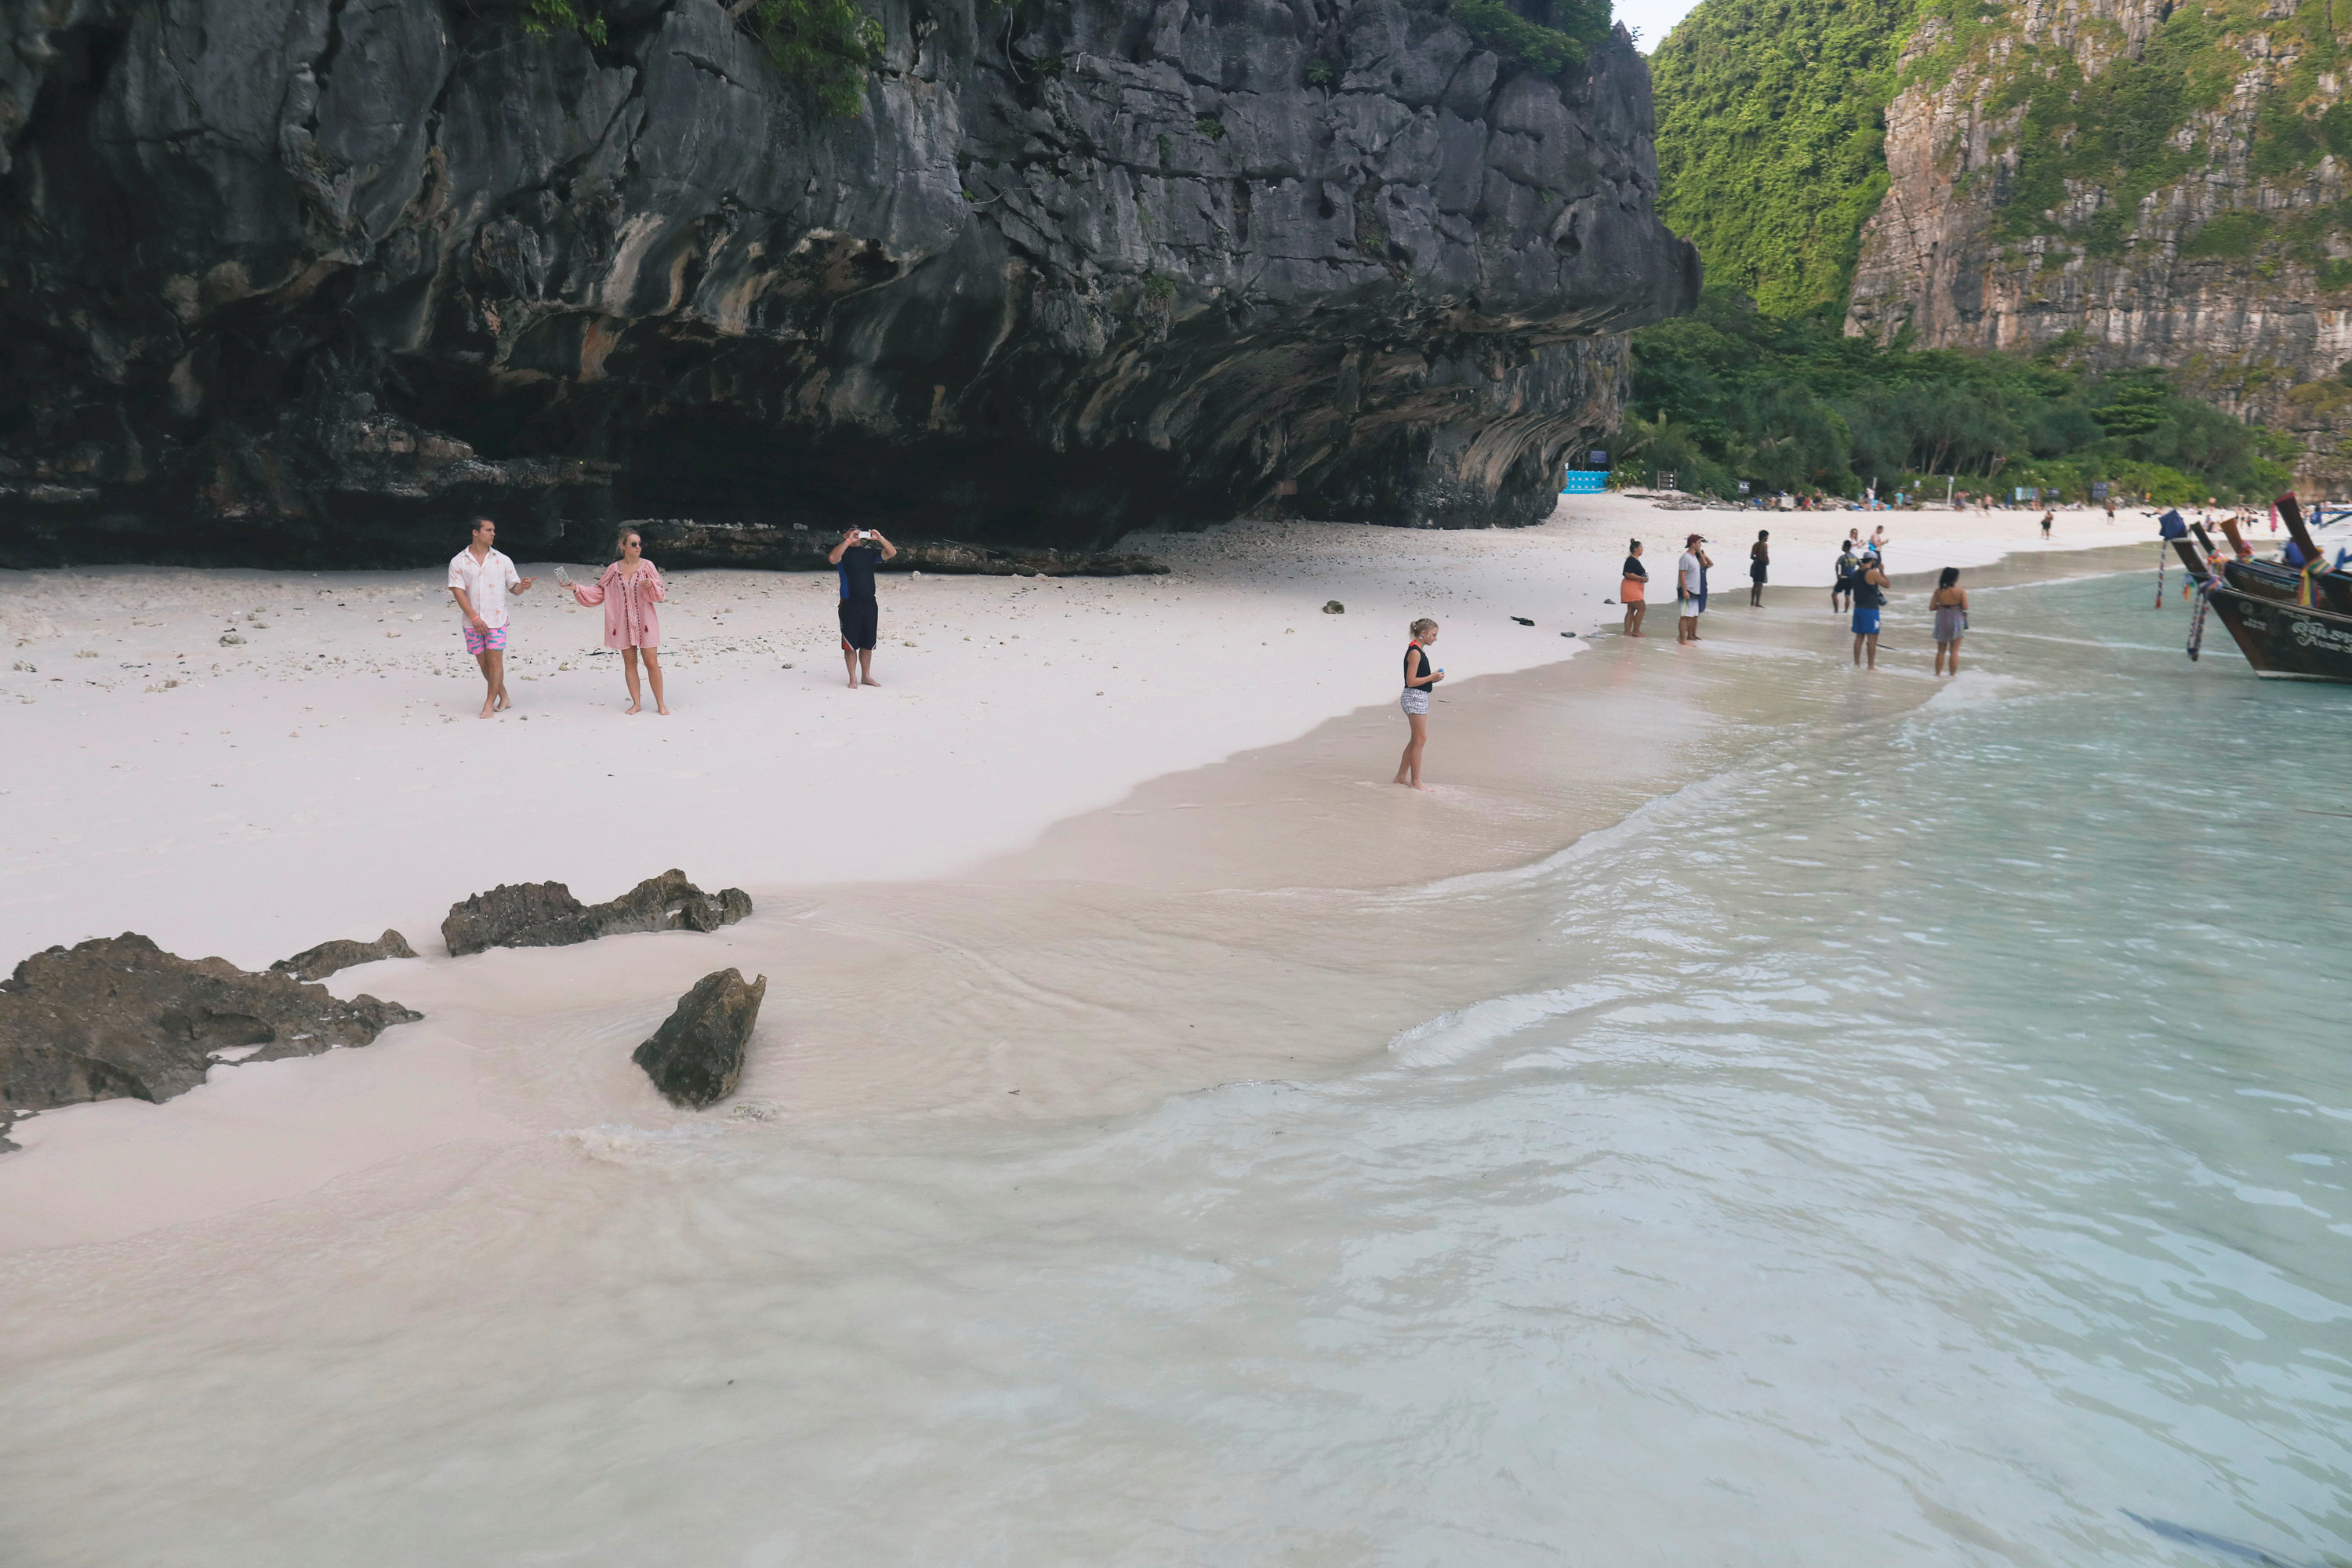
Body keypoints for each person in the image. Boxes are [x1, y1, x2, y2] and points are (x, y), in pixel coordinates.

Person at [567, 528, 669, 714]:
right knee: (629, 663)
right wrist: (576, 588)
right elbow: (599, 592)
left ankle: (661, 704)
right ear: (623, 546)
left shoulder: (648, 566)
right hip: (622, 624)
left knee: (651, 663)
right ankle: (636, 703)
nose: (638, 547)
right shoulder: (613, 570)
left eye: (640, 544)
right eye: (633, 544)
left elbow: (660, 594)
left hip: (646, 623)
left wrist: (651, 585)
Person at [448, 517, 535, 718]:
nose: (493, 534)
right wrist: (474, 618)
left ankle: (489, 703)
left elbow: (514, 588)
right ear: (475, 532)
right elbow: (458, 593)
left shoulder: (503, 560)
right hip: (472, 621)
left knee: (495, 662)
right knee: (483, 663)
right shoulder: (459, 561)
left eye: (494, 530)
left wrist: (523, 586)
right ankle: (503, 696)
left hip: (497, 620)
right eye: (488, 530)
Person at [828, 526, 898, 688]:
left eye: (858, 532)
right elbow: (832, 558)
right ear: (845, 535)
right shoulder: (842, 554)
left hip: (869, 603)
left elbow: (892, 553)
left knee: (868, 643)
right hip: (849, 603)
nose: (856, 535)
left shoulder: (869, 554)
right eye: (852, 532)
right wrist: (848, 540)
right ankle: (853, 678)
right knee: (850, 644)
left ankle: (866, 676)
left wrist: (879, 538)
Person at [1394, 618, 1442, 789]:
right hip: (1414, 696)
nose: (1435, 638)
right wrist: (1431, 677)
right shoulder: (1415, 652)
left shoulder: (1418, 650)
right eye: (1434, 635)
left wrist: (1431, 680)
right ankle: (1415, 781)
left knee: (1417, 739)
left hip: (1419, 695)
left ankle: (1401, 776)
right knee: (1420, 739)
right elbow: (1411, 681)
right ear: (1424, 633)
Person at [1850, 552, 1888, 670]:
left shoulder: (1856, 573)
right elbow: (1887, 584)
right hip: (1870, 609)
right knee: (1872, 638)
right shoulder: (1873, 573)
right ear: (1873, 561)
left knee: (1859, 637)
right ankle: (1870, 666)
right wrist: (1882, 571)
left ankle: (1856, 664)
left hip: (1858, 608)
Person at [1930, 565, 1968, 676]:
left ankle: (1938, 675)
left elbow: (1932, 607)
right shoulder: (1961, 591)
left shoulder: (1939, 591)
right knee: (1954, 651)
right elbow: (1965, 606)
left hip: (1942, 619)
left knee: (1941, 650)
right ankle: (1952, 675)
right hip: (1956, 619)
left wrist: (1941, 607)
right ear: (1955, 578)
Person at [1677, 533, 1711, 643]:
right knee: (1685, 616)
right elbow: (1682, 574)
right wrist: (1685, 590)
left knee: (1691, 616)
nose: (1700, 545)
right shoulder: (1685, 557)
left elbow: (1704, 565)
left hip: (1695, 590)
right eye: (1699, 543)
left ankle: (1683, 637)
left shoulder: (1694, 557)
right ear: (1693, 544)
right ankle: (1682, 639)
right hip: (1687, 590)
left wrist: (1701, 554)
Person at [1620, 540, 1649, 637]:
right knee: (1642, 607)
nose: (1642, 549)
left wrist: (1643, 579)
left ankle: (1627, 632)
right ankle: (1636, 630)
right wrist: (1640, 578)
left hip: (1633, 586)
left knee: (1631, 609)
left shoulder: (1634, 560)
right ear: (1635, 549)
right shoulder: (1631, 560)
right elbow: (1627, 573)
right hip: (1631, 586)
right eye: (1641, 547)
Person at [1832, 540, 1857, 612]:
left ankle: (1836, 610)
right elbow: (1861, 565)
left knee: (1834, 595)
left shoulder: (1843, 557)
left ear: (1846, 547)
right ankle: (1846, 611)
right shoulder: (1854, 557)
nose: (1842, 547)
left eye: (1843, 546)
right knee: (1847, 596)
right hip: (1852, 579)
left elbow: (1837, 564)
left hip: (1843, 578)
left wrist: (1837, 574)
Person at [1749, 528, 1770, 606]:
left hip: (1756, 564)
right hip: (1761, 565)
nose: (1767, 538)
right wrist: (1767, 561)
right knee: (1760, 585)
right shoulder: (1765, 545)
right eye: (1767, 537)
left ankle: (1752, 602)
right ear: (1764, 537)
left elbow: (1752, 556)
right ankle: (1757, 603)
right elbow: (1765, 555)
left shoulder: (1755, 545)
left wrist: (1757, 558)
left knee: (1755, 584)